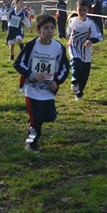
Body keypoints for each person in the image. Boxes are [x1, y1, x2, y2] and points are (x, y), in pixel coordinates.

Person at [14, 15, 70, 151]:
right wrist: (32, 75)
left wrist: (57, 82)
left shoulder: (58, 48)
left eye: (52, 28)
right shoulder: (31, 46)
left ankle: (33, 122)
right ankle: (31, 141)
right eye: (46, 28)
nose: (50, 31)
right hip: (31, 89)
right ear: (38, 30)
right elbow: (18, 64)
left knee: (50, 116)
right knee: (37, 118)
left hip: (48, 90)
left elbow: (65, 68)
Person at [67, 0, 103, 100]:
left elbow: (99, 37)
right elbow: (69, 32)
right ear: (76, 9)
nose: (82, 12)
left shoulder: (90, 23)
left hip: (86, 50)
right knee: (77, 64)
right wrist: (69, 40)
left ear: (88, 10)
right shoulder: (72, 20)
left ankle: (80, 92)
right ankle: (74, 80)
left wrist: (90, 40)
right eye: (80, 10)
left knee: (85, 72)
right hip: (74, 46)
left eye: (84, 10)